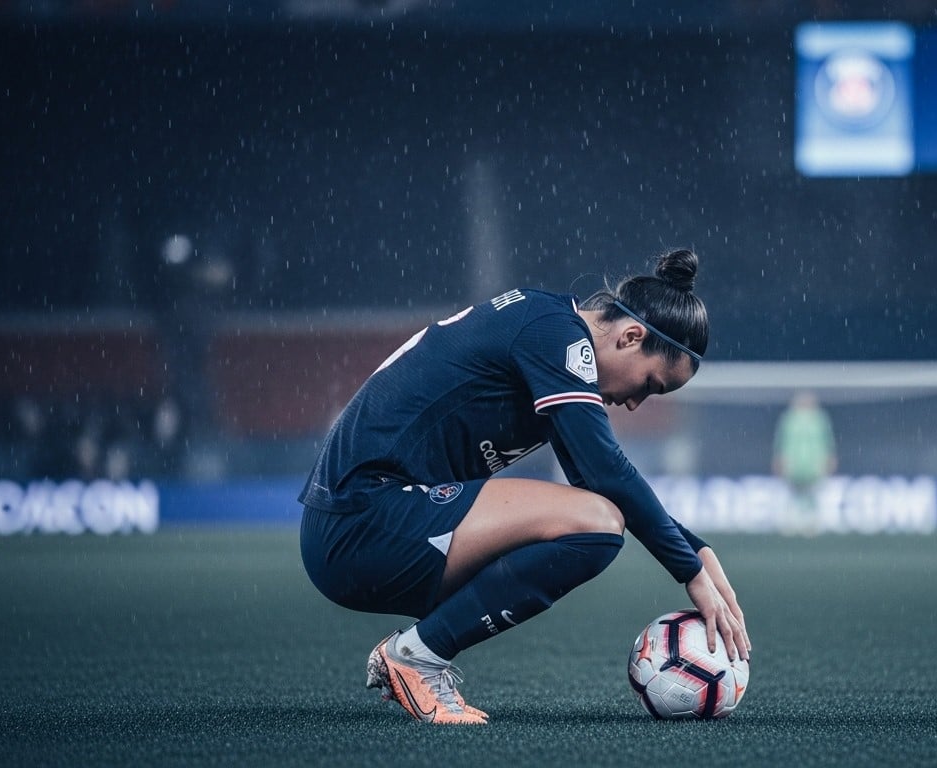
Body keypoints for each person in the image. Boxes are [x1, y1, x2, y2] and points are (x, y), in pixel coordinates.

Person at [299, 248, 750, 725]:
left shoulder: (549, 325)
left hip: (364, 526)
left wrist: (695, 548)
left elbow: (596, 478)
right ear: (630, 336)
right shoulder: (555, 336)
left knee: (595, 516)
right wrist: (689, 570)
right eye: (650, 384)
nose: (636, 403)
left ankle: (416, 652)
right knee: (597, 524)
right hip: (360, 523)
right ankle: (416, 656)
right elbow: (607, 474)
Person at [772, 390, 836, 536]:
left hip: (812, 466)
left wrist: (828, 460)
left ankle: (812, 523)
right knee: (794, 493)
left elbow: (827, 442)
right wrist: (779, 460)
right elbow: (781, 442)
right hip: (794, 466)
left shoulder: (819, 419)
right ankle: (791, 522)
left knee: (812, 493)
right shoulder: (789, 419)